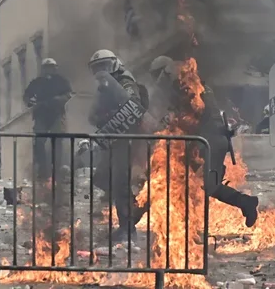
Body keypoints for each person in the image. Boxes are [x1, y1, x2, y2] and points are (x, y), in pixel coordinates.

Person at [151, 57, 259, 227]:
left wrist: (173, 121)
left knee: (210, 186)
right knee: (183, 180)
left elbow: (195, 117)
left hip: (210, 142)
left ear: (167, 71)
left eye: (159, 75)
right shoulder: (189, 86)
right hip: (202, 143)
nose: (159, 80)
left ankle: (246, 203)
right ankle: (186, 225)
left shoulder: (190, 88)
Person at [86, 49, 146, 242]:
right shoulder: (103, 89)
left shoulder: (125, 82)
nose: (100, 71)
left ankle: (128, 227)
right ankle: (130, 214)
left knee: (120, 181)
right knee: (103, 178)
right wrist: (104, 117)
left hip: (128, 139)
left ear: (113, 64)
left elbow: (133, 105)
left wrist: (114, 114)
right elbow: (93, 115)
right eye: (97, 68)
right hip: (114, 139)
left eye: (103, 66)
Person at [23, 58, 72, 178]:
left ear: (55, 68)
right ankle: (42, 171)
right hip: (41, 115)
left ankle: (57, 170)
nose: (49, 70)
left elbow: (68, 94)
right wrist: (31, 102)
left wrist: (57, 100)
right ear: (43, 69)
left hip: (57, 113)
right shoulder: (37, 82)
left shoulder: (61, 81)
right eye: (47, 67)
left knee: (58, 141)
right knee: (39, 141)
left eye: (51, 67)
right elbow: (27, 96)